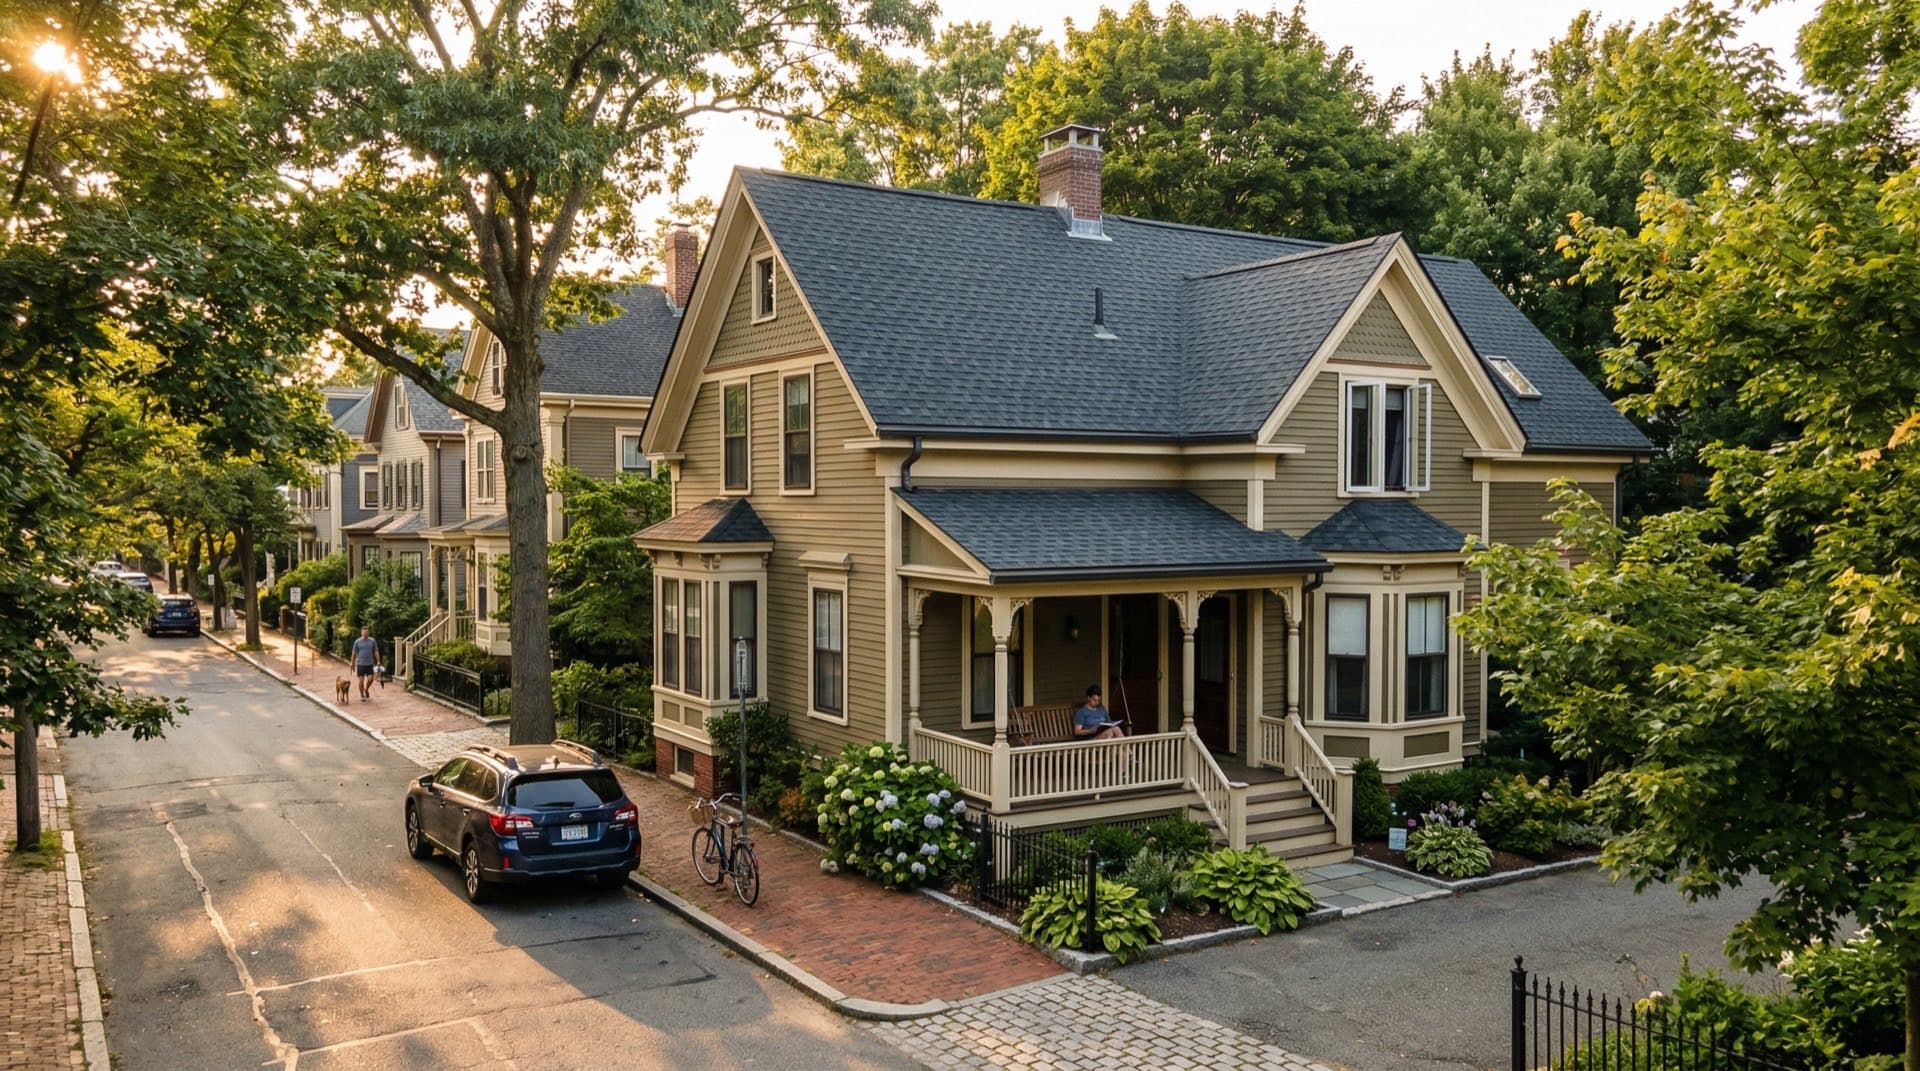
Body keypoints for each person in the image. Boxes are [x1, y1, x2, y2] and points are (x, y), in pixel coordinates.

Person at [351, 626, 379, 701]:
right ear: (361, 633)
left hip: (370, 664)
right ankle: (362, 695)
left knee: (370, 679)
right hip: (361, 664)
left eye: (367, 632)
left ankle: (366, 689)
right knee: (361, 680)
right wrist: (352, 663)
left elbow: (375, 651)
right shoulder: (357, 642)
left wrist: (378, 661)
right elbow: (353, 653)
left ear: (368, 633)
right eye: (364, 632)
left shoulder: (372, 641)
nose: (365, 634)